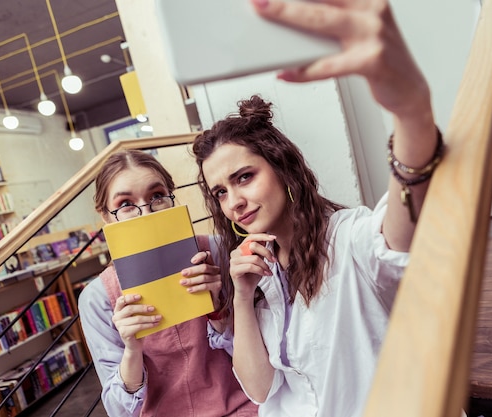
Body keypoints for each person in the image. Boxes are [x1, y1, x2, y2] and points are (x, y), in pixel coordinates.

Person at [191, 0, 444, 416]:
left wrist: (412, 113)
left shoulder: (347, 238)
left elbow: (400, 230)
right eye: (219, 192)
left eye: (244, 177)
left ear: (284, 169)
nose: (233, 202)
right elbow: (259, 390)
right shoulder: (261, 271)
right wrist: (241, 295)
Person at [78, 149, 257, 417]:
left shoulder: (218, 251)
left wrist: (219, 310)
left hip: (242, 408)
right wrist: (132, 349)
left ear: (172, 199)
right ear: (106, 216)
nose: (146, 212)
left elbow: (261, 357)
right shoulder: (97, 298)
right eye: (126, 204)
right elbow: (119, 411)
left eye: (157, 197)